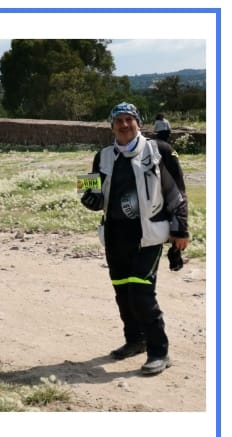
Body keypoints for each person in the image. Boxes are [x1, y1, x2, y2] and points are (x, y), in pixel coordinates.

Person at [80, 102, 189, 376]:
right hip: (115, 236)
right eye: (119, 120)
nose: (125, 124)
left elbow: (177, 192)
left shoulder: (159, 150)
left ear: (139, 123)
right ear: (112, 125)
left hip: (149, 236)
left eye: (130, 119)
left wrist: (181, 230)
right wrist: (89, 197)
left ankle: (159, 351)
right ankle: (135, 340)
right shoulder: (101, 156)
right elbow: (90, 192)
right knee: (123, 294)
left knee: (141, 294)